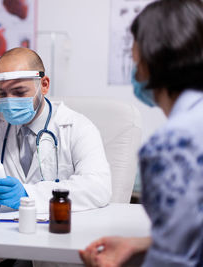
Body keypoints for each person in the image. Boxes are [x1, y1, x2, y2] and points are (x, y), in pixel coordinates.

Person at [0, 47, 112, 266]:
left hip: (56, 237)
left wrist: (28, 195)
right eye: (2, 94)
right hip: (1, 233)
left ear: (44, 85)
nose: (9, 101)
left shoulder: (77, 127)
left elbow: (98, 186)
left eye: (19, 93)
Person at [80, 0, 203, 266]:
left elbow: (173, 262)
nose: (134, 68)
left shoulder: (172, 144)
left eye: (134, 56)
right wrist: (144, 243)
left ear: (150, 58)